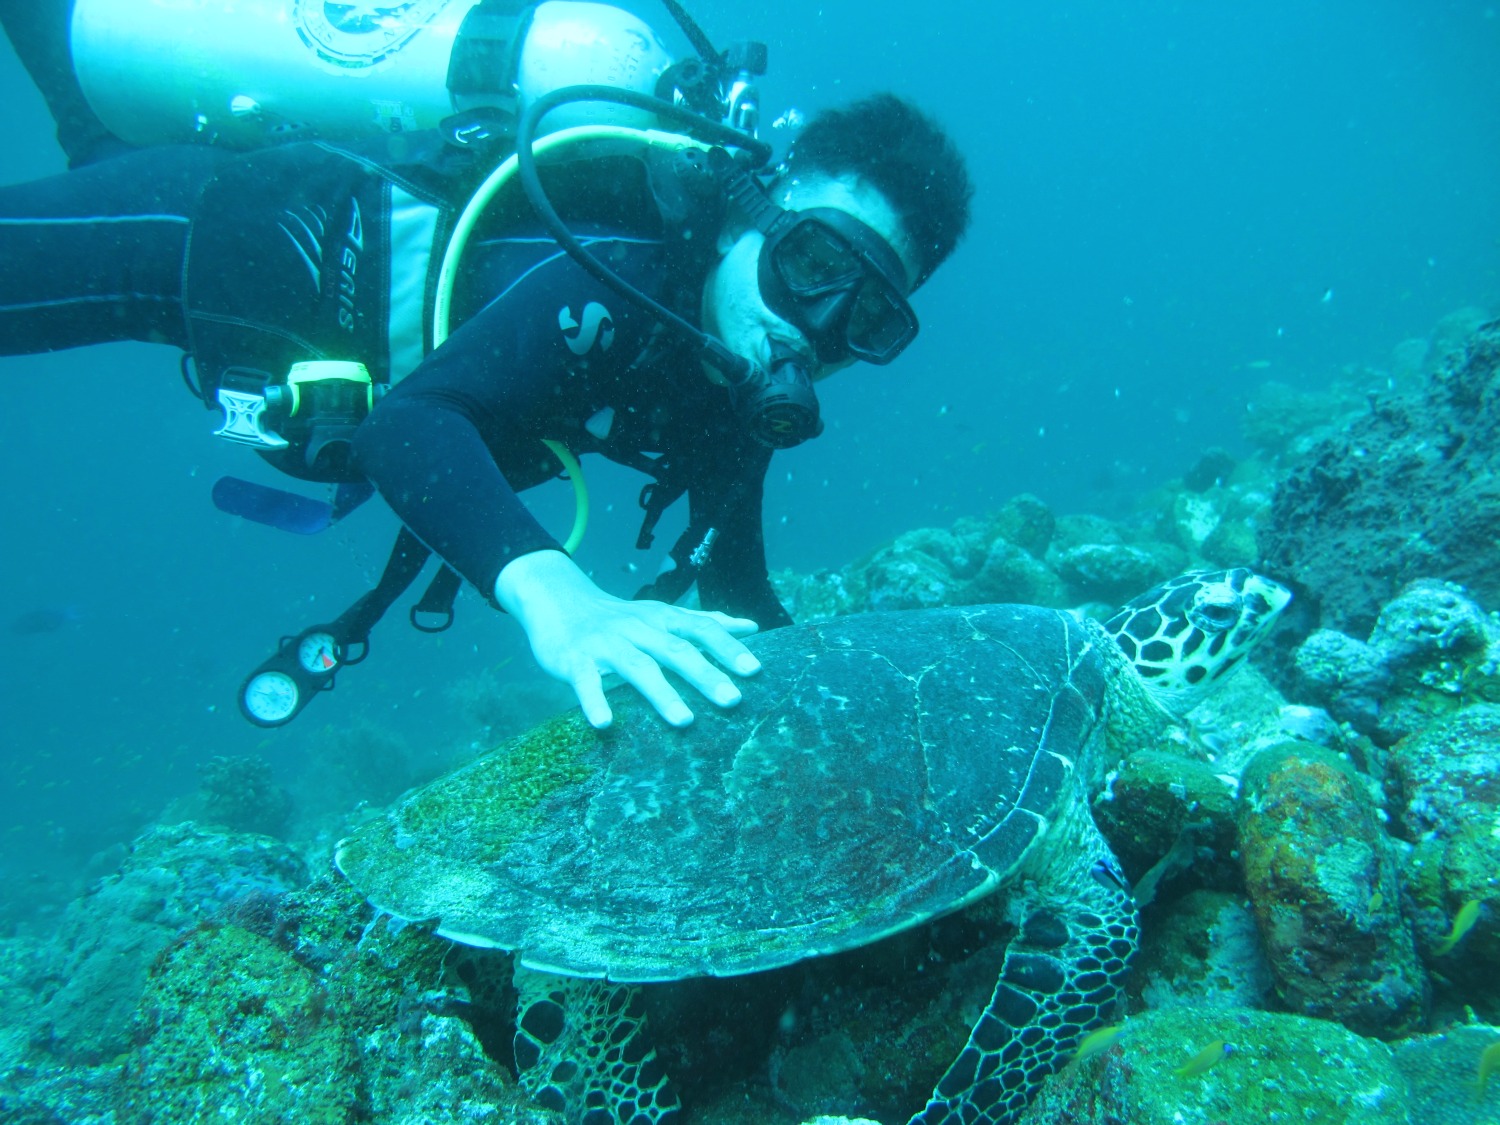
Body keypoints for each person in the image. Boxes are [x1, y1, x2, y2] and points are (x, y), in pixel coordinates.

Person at [0, 3, 973, 731]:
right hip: (203, 241)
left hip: (260, 327)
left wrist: (850, 725)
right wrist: (564, 601)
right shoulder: (620, 265)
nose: (815, 329)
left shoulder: (726, 385)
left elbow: (738, 597)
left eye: (868, 320)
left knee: (74, 82)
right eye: (811, 265)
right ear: (748, 210)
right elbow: (409, 426)